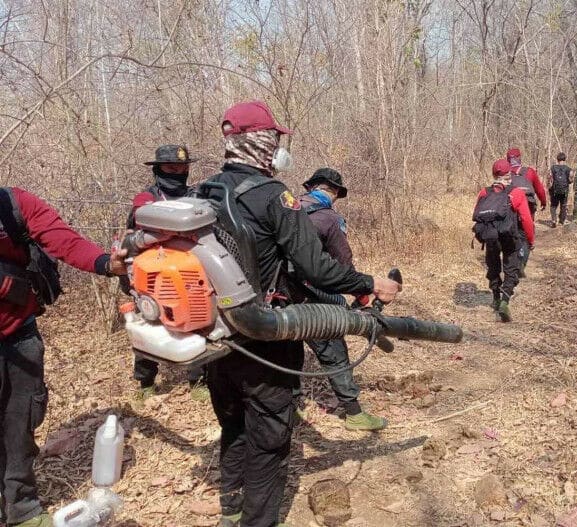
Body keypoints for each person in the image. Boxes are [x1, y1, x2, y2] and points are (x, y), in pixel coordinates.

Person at [200, 100, 401, 527]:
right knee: (270, 437)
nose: (278, 148)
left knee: (232, 422)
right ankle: (258, 520)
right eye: (274, 139)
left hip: (214, 336)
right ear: (261, 142)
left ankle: (230, 507)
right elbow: (316, 268)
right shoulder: (274, 196)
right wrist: (371, 284)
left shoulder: (206, 190)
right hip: (266, 336)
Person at [0, 188, 126, 527]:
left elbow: (62, 240)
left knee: (18, 427)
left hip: (18, 335)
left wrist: (105, 263)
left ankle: (22, 511)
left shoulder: (13, 204)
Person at [297, 168, 387, 431]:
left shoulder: (287, 210)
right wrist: (362, 294)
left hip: (278, 296)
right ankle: (354, 413)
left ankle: (289, 409)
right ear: (334, 192)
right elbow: (342, 264)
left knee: (285, 352)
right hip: (316, 295)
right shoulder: (329, 218)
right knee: (334, 351)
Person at [126, 145, 209, 402]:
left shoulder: (195, 195)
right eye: (172, 168)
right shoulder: (146, 200)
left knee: (196, 321)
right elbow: (136, 233)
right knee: (149, 323)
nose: (179, 172)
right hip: (153, 273)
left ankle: (198, 380)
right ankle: (145, 382)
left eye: (183, 167)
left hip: (190, 269)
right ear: (158, 169)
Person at [472, 159, 534, 323]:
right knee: (511, 266)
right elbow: (526, 220)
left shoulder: (484, 192)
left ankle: (495, 297)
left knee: (493, 264)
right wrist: (530, 239)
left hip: (490, 235)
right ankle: (505, 300)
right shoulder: (516, 193)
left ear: (493, 174)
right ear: (510, 174)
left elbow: (478, 214)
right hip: (508, 235)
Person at [505, 148, 545, 276]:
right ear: (520, 158)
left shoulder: (505, 173)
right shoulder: (530, 172)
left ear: (508, 159)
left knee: (511, 233)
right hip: (528, 207)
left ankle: (511, 263)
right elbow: (539, 189)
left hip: (510, 207)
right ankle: (521, 264)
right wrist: (543, 202)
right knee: (526, 234)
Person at [547, 152, 572, 227]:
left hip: (555, 190)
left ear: (557, 159)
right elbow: (571, 179)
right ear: (565, 159)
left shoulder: (553, 168)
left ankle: (554, 220)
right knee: (563, 205)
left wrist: (549, 188)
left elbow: (549, 179)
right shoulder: (568, 169)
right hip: (564, 190)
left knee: (553, 206)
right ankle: (562, 221)